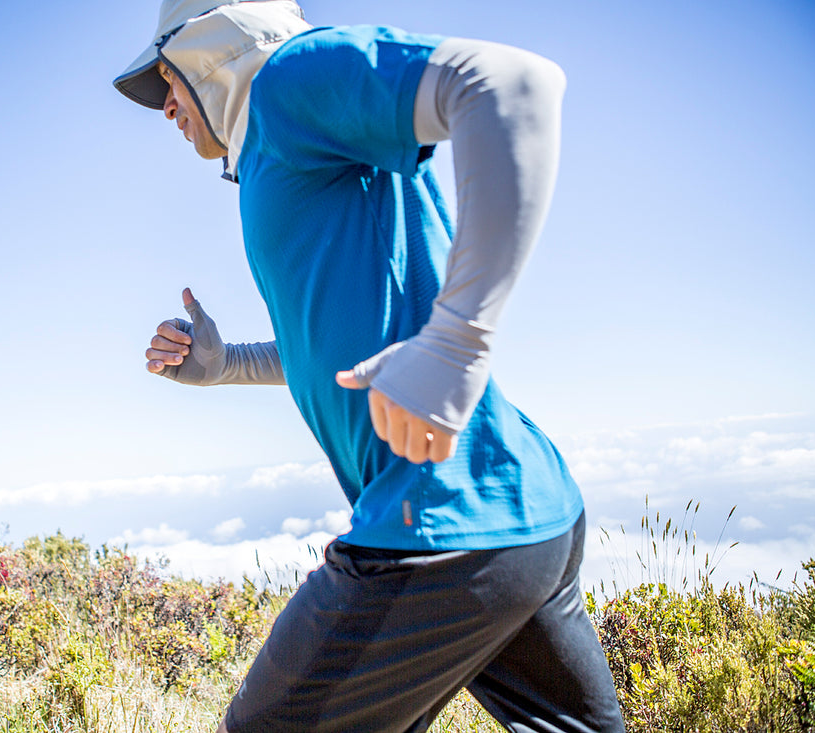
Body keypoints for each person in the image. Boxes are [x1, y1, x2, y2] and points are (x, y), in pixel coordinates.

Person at [113, 1, 625, 731]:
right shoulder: (269, 148)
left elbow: (511, 83)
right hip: (525, 512)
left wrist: (457, 342)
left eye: (167, 76)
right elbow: (339, 352)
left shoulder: (289, 79)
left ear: (210, 48)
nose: (164, 104)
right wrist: (225, 365)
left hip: (437, 527)